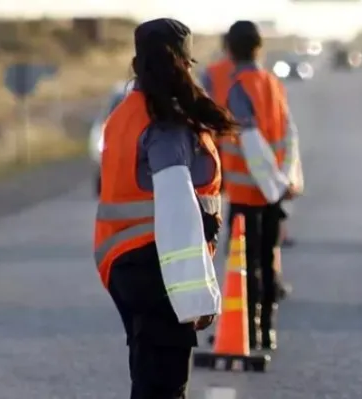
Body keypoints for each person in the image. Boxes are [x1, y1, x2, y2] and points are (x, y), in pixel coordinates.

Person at [93, 18, 238, 398]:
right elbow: (176, 207)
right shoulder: (166, 124)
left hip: (124, 266)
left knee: (148, 378)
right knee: (165, 386)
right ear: (185, 64)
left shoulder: (123, 116)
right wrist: (196, 297)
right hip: (160, 269)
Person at [210, 20, 302, 352]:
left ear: (230, 50)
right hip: (271, 192)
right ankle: (266, 330)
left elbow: (251, 144)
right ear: (259, 48)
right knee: (266, 262)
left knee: (245, 268)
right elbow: (289, 134)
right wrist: (286, 181)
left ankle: (249, 328)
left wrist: (273, 184)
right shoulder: (272, 83)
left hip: (250, 195)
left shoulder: (238, 88)